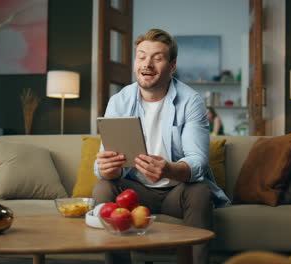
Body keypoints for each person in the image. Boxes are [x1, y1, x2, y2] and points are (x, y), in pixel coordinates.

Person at [93, 28, 230, 264]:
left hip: (176, 191)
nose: (147, 64)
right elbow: (106, 160)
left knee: (200, 191)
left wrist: (169, 169)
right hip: (134, 190)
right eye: (142, 56)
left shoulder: (190, 101)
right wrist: (107, 168)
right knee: (102, 187)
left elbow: (198, 160)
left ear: (172, 66)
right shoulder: (119, 101)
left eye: (157, 58)